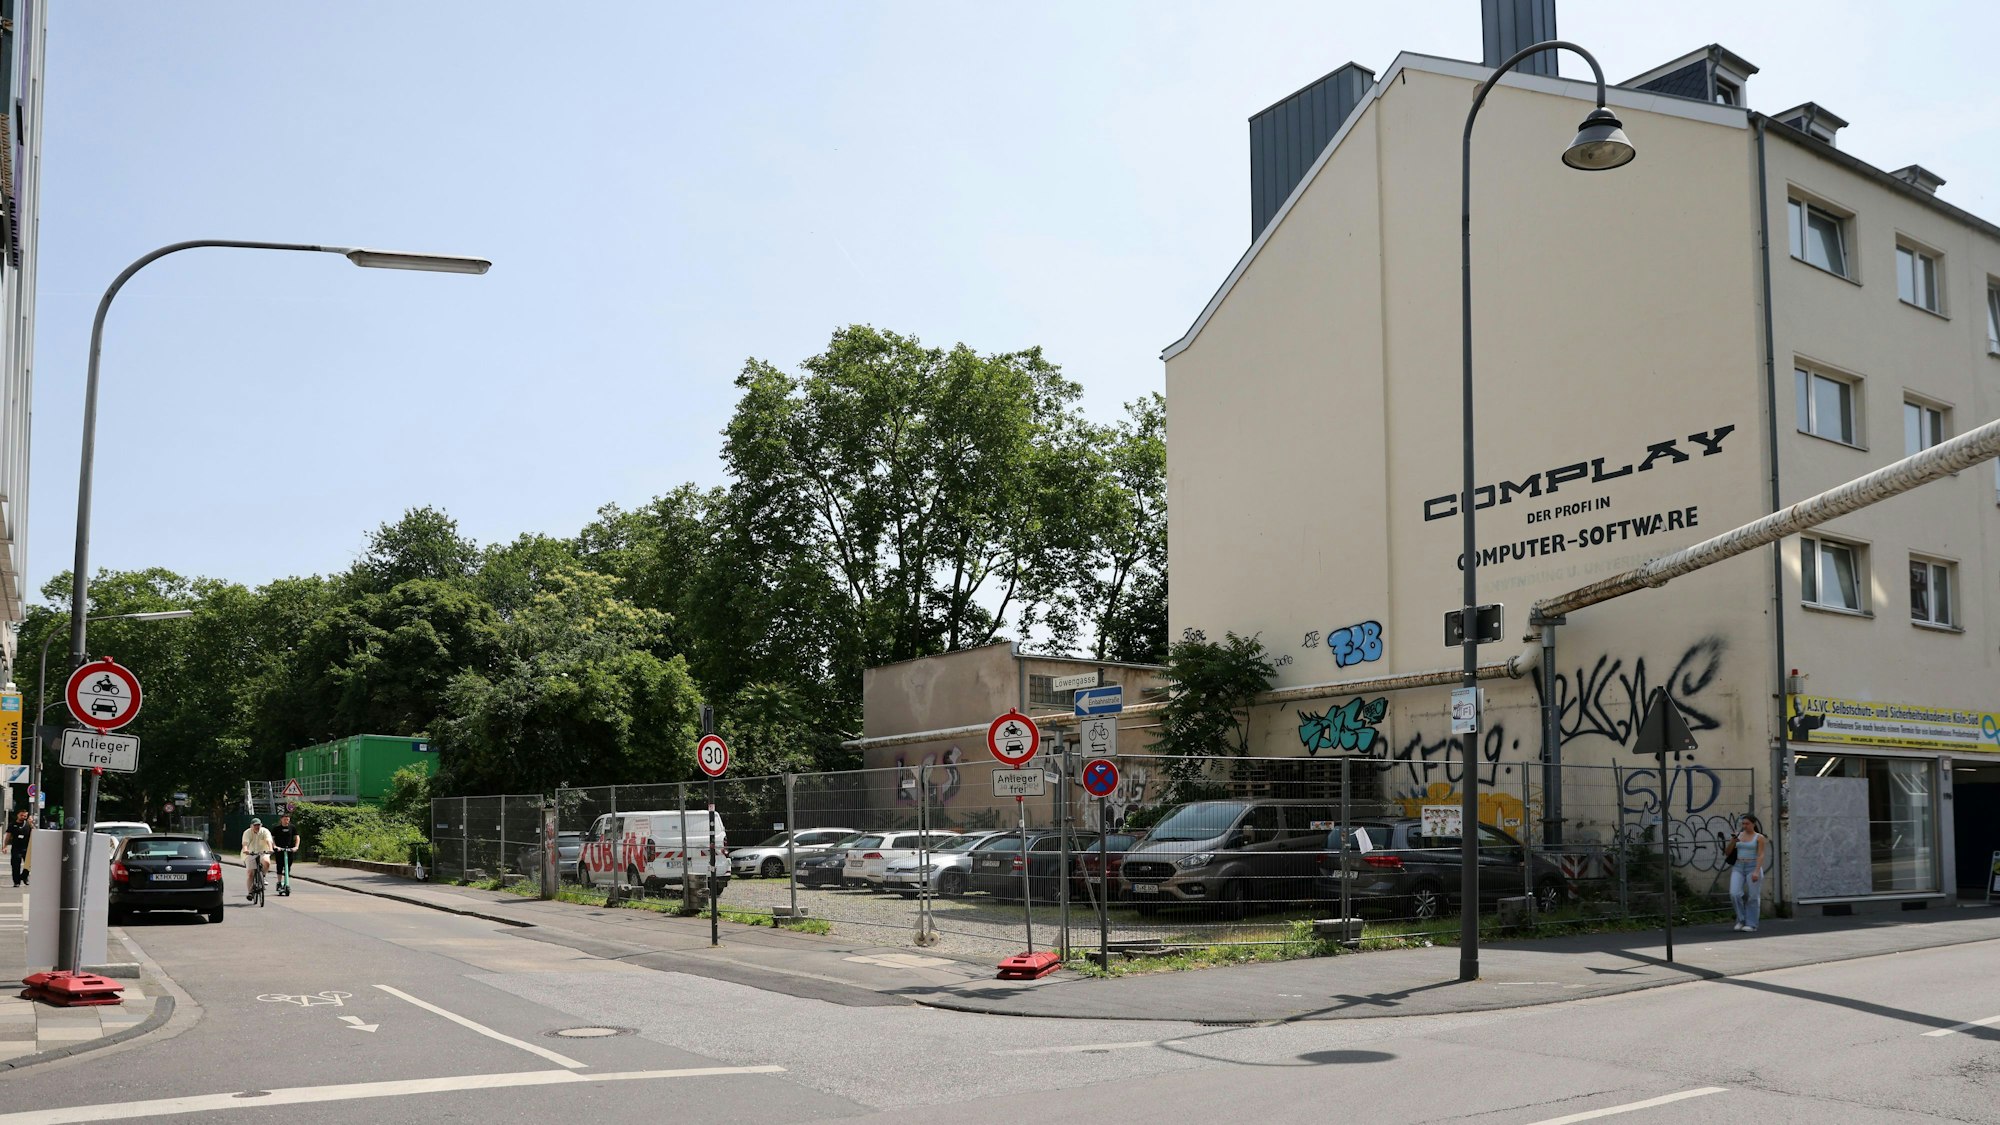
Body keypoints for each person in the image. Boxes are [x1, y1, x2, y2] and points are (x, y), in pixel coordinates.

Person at [1730, 813, 1771, 932]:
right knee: (1734, 893)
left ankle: (1751, 924)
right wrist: (1733, 840)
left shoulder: (1759, 837)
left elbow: (1761, 854)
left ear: (1753, 824)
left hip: (1753, 866)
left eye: (1747, 823)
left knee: (1753, 896)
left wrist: (1757, 871)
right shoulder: (1738, 835)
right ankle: (1741, 919)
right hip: (1738, 866)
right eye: (1743, 824)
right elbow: (1728, 852)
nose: (1745, 826)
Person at [241, 817, 275, 900]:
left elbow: (269, 841)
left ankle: (263, 876)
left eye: (258, 825)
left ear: (261, 825)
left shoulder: (265, 831)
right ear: (251, 826)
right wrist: (246, 850)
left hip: (263, 852)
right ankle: (250, 892)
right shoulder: (247, 832)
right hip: (250, 853)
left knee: (266, 862)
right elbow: (245, 843)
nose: (257, 827)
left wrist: (270, 849)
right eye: (255, 825)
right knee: (250, 873)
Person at [270, 813, 301, 896]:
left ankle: (287, 883)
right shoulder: (276, 828)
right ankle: (279, 883)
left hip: (289, 849)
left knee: (288, 866)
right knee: (280, 866)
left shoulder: (292, 828)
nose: (286, 821)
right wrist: (275, 846)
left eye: (288, 819)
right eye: (285, 819)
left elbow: (297, 837)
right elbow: (272, 838)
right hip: (280, 850)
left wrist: (296, 847)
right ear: (281, 819)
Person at [7, 810, 30, 887]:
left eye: (25, 816)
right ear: (18, 815)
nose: (23, 817)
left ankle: (24, 876)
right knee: (15, 865)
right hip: (16, 848)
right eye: (21, 815)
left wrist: (32, 824)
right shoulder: (12, 825)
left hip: (27, 848)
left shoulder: (28, 824)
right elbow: (8, 836)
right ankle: (16, 882)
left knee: (29, 864)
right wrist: (4, 846)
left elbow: (35, 832)